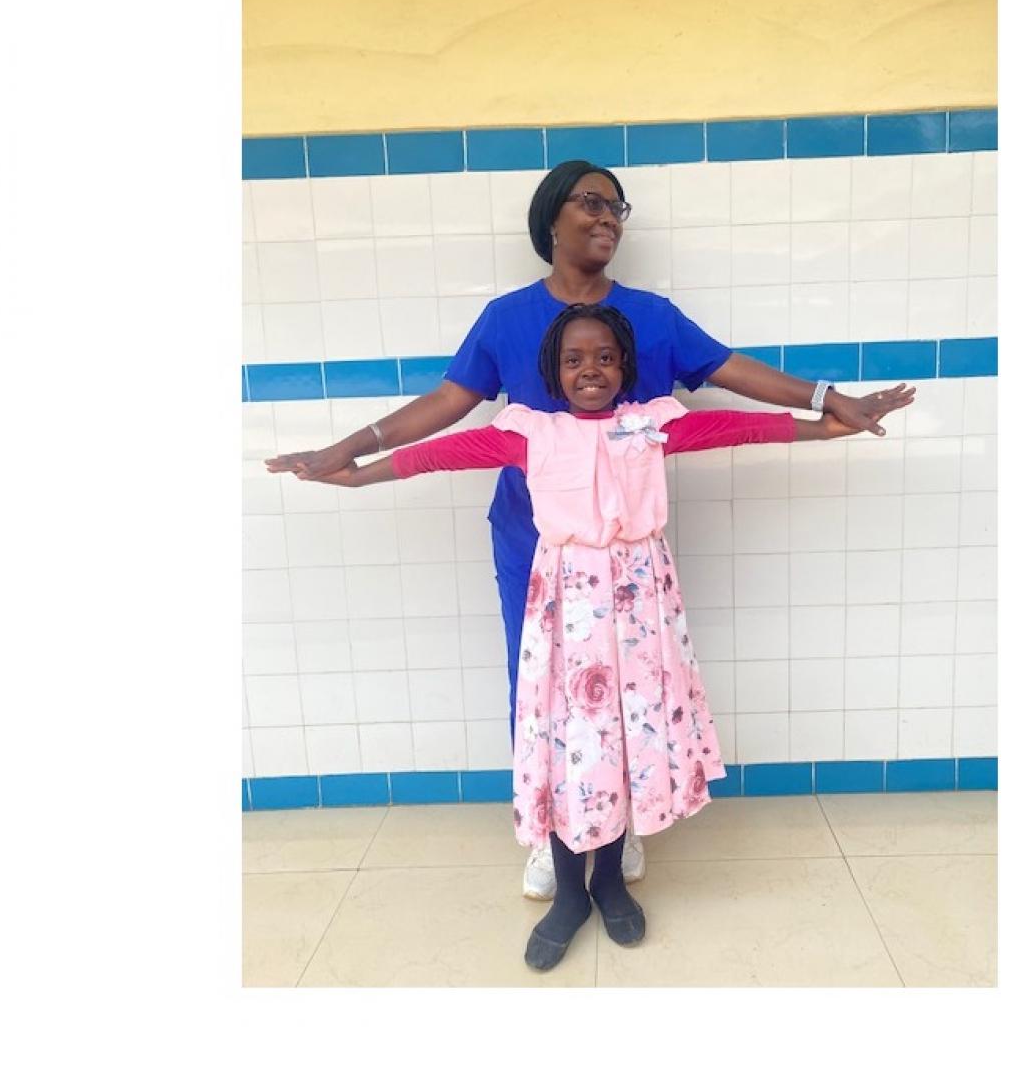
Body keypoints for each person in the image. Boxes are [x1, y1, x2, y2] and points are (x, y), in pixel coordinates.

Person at [265, 159, 915, 899]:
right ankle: (554, 832)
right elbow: (446, 411)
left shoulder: (652, 316)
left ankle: (620, 819)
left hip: (628, 558)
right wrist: (348, 451)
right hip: (533, 543)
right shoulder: (507, 318)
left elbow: (733, 382)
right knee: (542, 687)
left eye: (618, 207)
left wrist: (831, 403)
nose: (609, 218)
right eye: (592, 203)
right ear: (552, 217)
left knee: (630, 685)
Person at [312, 303, 912, 969]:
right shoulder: (529, 433)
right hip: (564, 611)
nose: (590, 369)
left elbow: (740, 426)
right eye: (574, 359)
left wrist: (832, 426)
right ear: (553, 371)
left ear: (625, 365)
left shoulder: (649, 426)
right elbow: (435, 455)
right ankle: (570, 890)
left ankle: (608, 881)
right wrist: (353, 472)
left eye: (603, 356)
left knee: (627, 730)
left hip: (638, 606)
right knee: (568, 739)